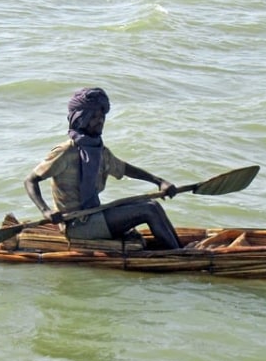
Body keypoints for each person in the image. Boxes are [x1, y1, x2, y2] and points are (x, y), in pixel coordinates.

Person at [24, 88, 181, 249]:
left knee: (152, 204)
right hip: (78, 224)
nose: (100, 121)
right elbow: (30, 180)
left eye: (102, 116)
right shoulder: (65, 152)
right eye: (93, 117)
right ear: (80, 119)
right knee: (148, 210)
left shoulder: (98, 150)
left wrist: (159, 181)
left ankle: (179, 248)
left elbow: (124, 168)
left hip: (95, 213)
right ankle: (179, 255)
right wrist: (45, 211)